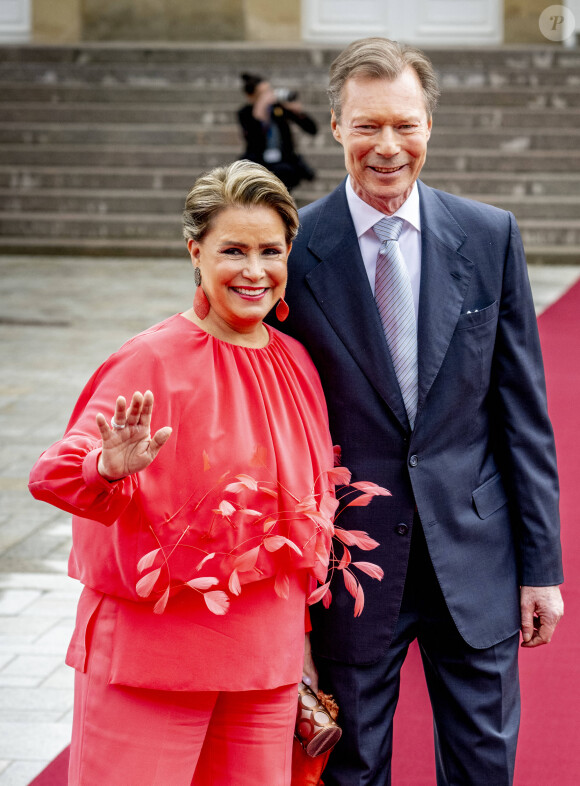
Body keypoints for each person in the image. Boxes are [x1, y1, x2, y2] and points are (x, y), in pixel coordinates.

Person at [268, 37, 564, 786]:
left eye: (405, 124)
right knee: (352, 768)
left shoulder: (490, 236)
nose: (387, 146)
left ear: (431, 124)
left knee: (483, 766)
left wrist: (542, 569)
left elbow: (522, 415)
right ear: (335, 126)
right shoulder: (294, 250)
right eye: (367, 125)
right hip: (350, 563)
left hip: (477, 553)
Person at [28, 161, 343, 786]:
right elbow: (53, 475)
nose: (254, 271)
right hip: (153, 657)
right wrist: (105, 466)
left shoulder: (297, 362)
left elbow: (303, 523)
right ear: (195, 251)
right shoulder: (152, 357)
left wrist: (303, 645)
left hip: (266, 658)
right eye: (233, 250)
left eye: (270, 251)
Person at [237, 72, 317, 191]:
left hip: (284, 161)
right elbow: (253, 138)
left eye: (269, 91)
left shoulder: (278, 108)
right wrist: (260, 110)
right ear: (251, 96)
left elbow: (312, 129)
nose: (268, 96)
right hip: (259, 161)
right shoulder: (245, 113)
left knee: (286, 173)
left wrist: (298, 113)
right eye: (262, 94)